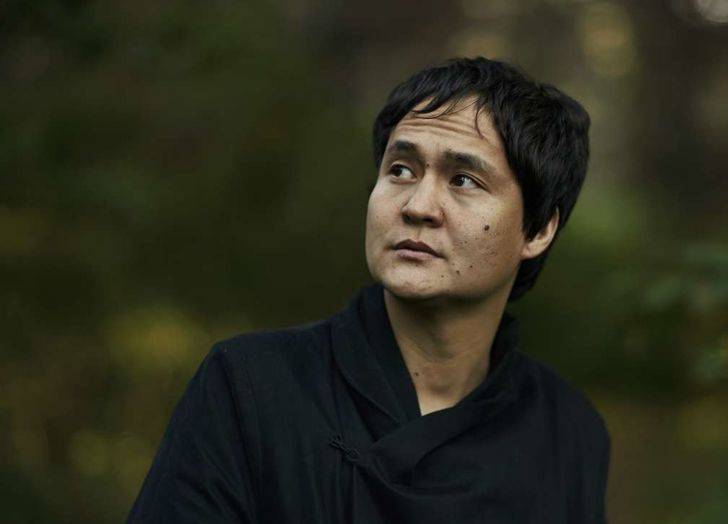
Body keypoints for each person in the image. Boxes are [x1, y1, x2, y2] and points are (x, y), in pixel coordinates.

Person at [126, 57, 610, 523]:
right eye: (401, 170)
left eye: (463, 180)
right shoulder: (251, 388)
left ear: (538, 230)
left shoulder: (567, 433)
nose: (418, 205)